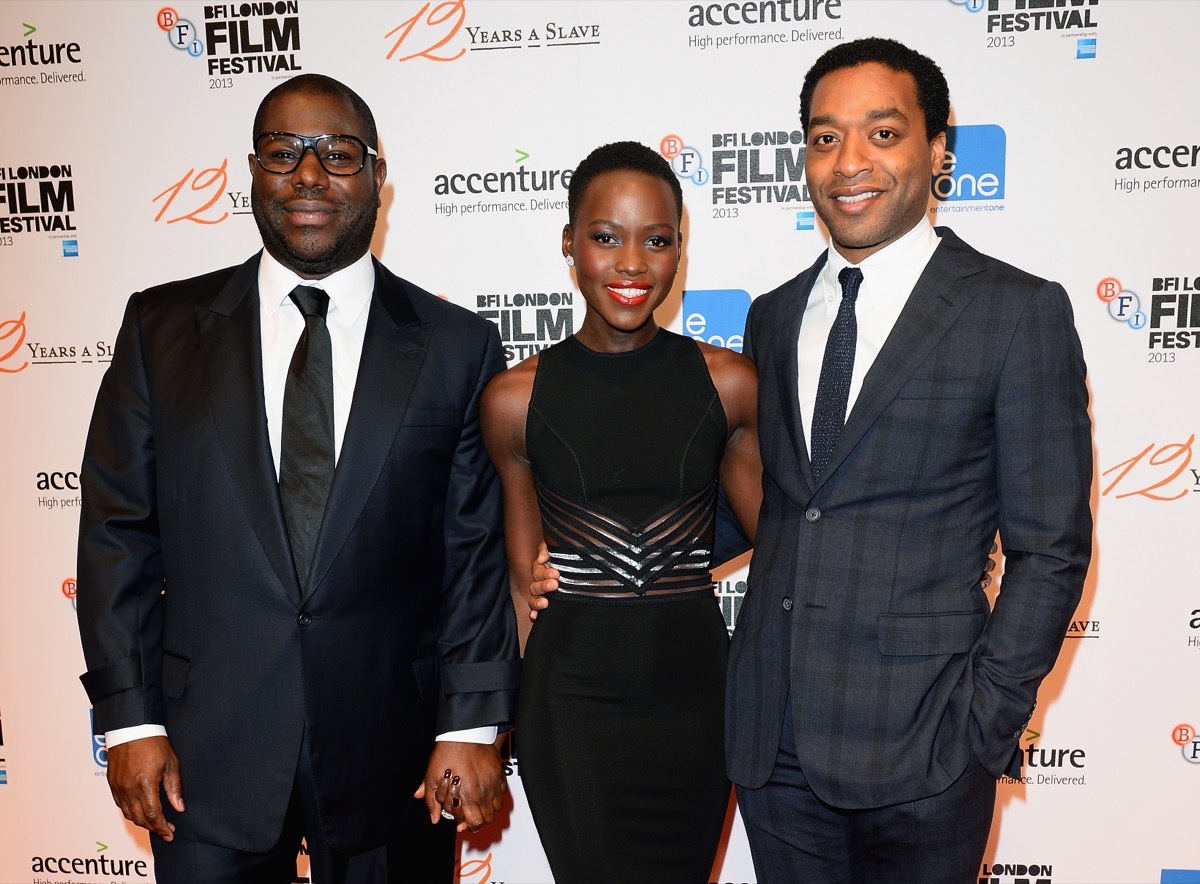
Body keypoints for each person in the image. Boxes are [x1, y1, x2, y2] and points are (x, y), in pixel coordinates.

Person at [75, 73, 519, 884]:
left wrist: (475, 723)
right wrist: (130, 719)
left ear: (378, 177)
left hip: (397, 758)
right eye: (283, 154)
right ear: (251, 171)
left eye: (338, 154)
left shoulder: (456, 347)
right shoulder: (160, 328)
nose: (309, 176)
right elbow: (116, 533)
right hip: (204, 757)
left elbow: (476, 556)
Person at [722, 38, 1093, 882]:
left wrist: (982, 722)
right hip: (772, 744)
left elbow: (1051, 548)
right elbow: (775, 505)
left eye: (881, 134)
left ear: (937, 152)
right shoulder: (772, 317)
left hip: (929, 747)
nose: (848, 162)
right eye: (824, 137)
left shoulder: (1016, 312)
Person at [481, 141, 761, 884]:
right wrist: (487, 726)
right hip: (570, 702)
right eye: (606, 237)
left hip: (696, 695)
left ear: (681, 251)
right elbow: (521, 583)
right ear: (569, 244)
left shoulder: (729, 383)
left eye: (657, 239)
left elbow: (786, 534)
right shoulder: (515, 399)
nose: (632, 263)